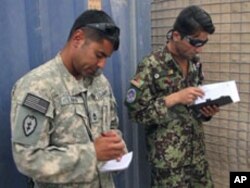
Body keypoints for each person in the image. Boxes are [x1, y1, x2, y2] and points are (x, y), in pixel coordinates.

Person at [11, 9, 127, 188]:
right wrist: (93, 154)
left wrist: (114, 144)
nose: (102, 65)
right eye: (99, 55)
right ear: (78, 38)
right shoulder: (37, 86)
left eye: (106, 58)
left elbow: (112, 126)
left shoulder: (100, 83)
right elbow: (28, 159)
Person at [125, 5, 220, 188]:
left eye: (203, 43)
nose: (199, 49)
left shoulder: (194, 64)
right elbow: (136, 113)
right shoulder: (151, 66)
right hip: (169, 163)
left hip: (197, 157)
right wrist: (173, 99)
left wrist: (206, 112)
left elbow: (194, 107)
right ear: (176, 35)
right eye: (195, 43)